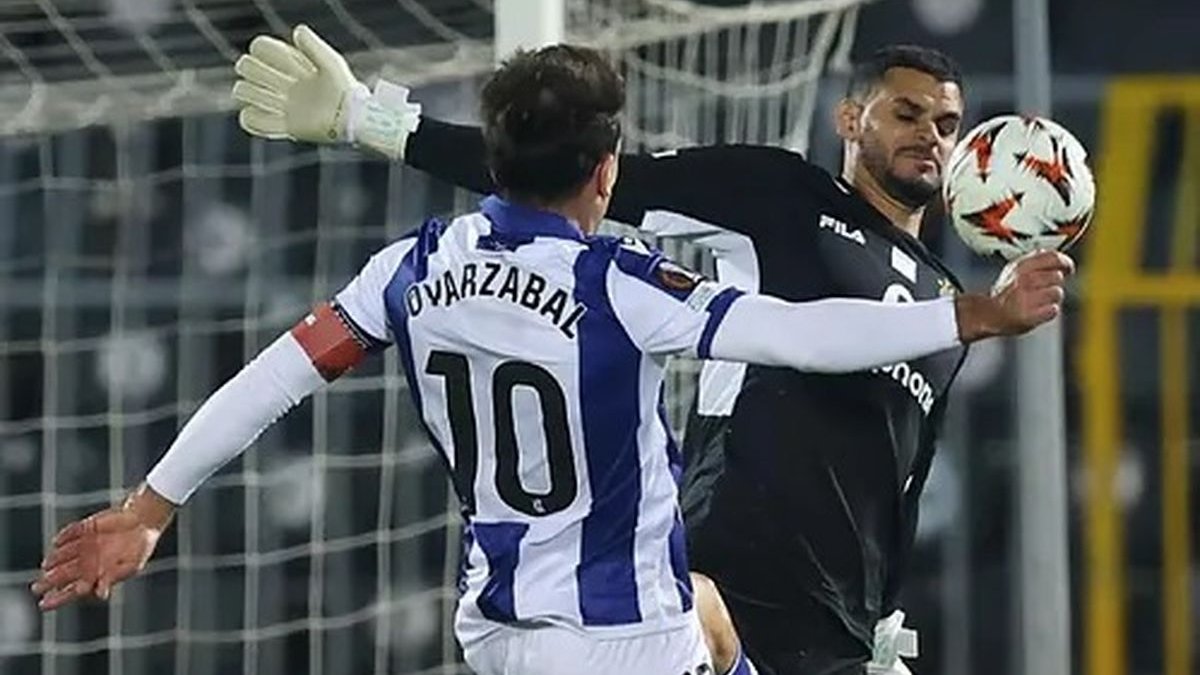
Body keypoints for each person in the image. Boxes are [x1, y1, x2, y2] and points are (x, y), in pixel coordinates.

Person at [226, 33, 1069, 675]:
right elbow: (557, 171)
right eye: (908, 114)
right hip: (722, 584)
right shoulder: (778, 192)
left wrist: (880, 617)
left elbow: (901, 473)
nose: (931, 136)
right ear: (851, 119)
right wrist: (371, 120)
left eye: (947, 124)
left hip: (839, 627)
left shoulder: (942, 298)